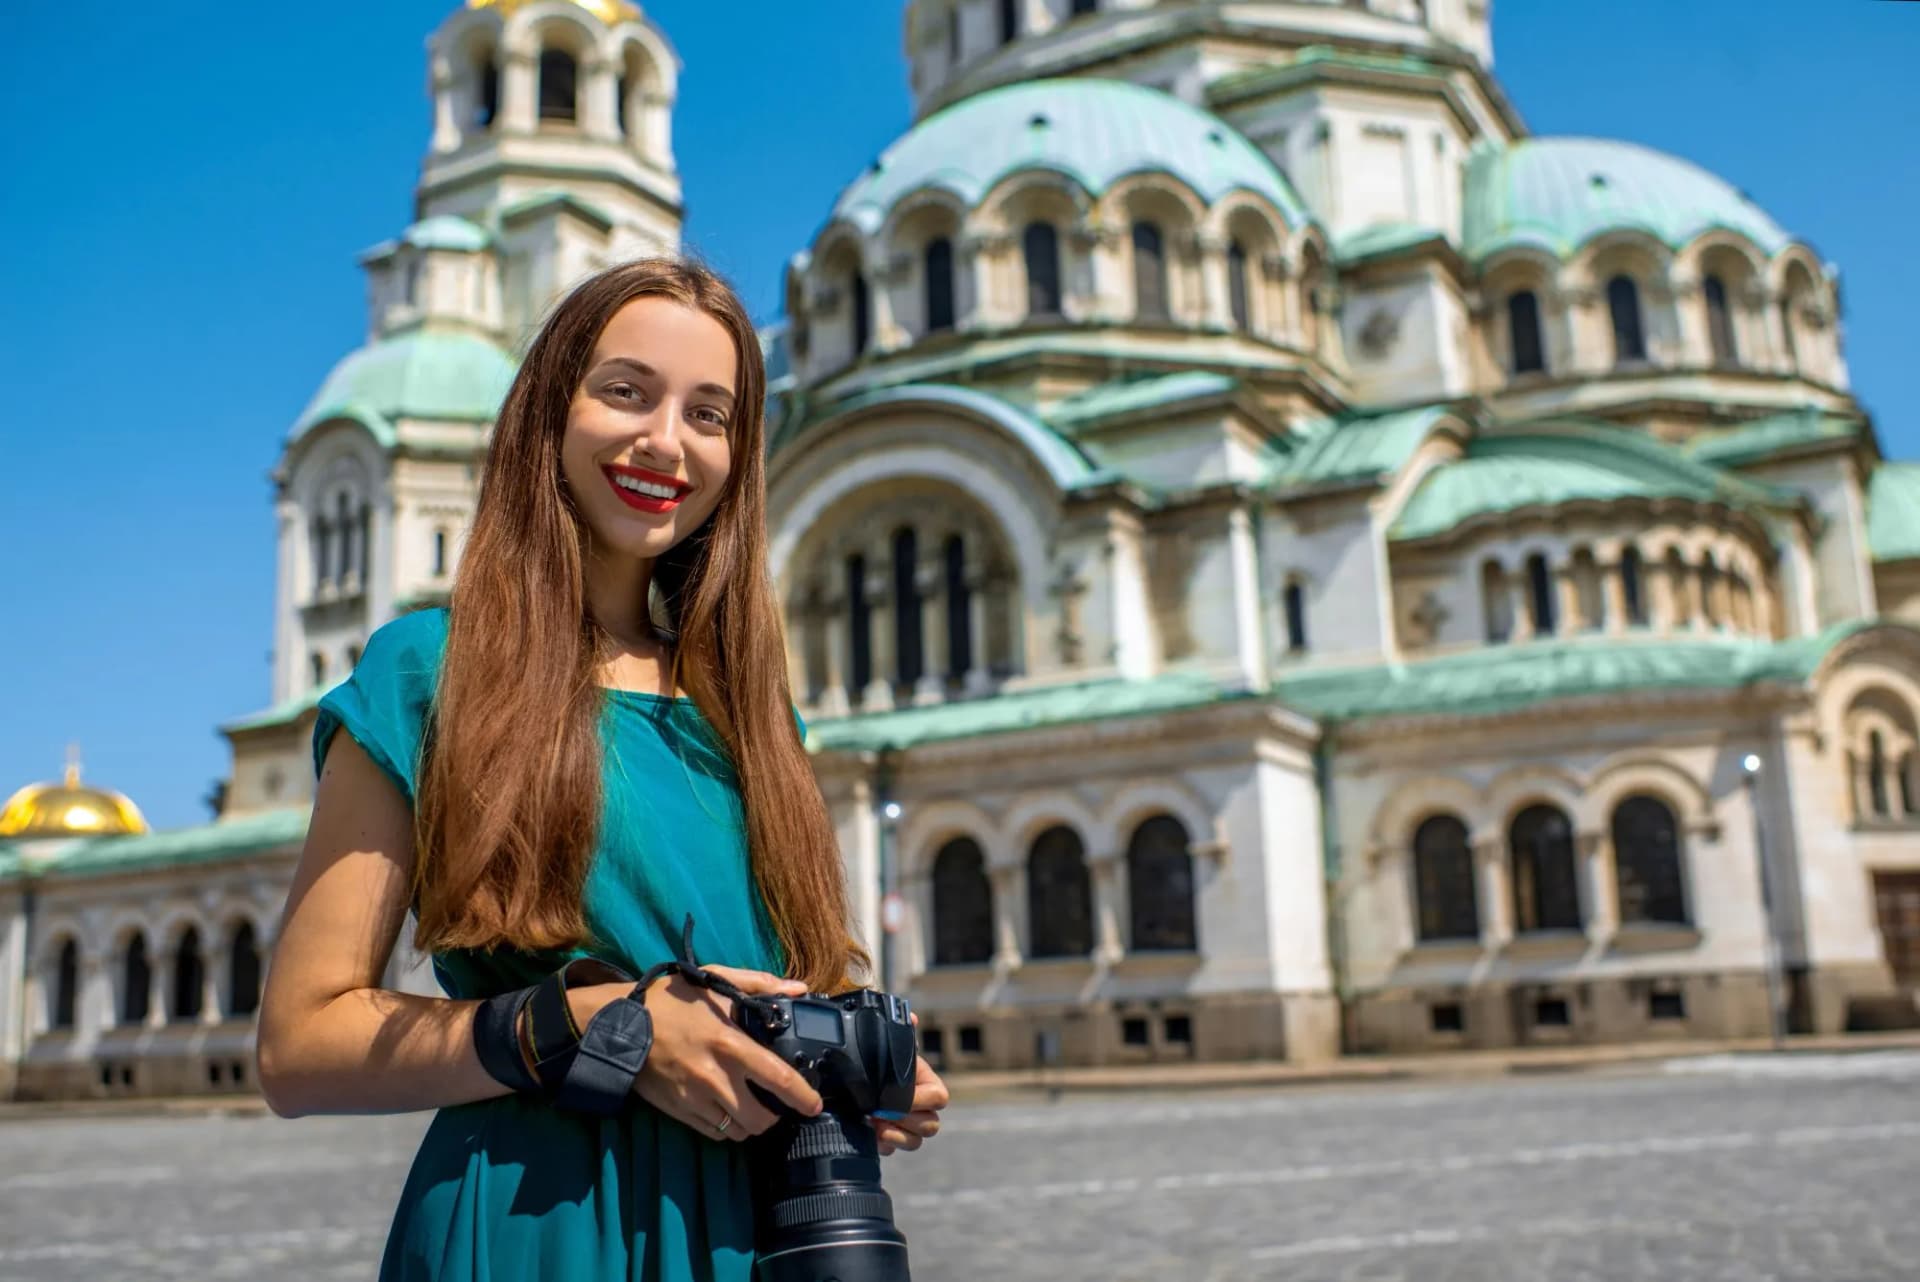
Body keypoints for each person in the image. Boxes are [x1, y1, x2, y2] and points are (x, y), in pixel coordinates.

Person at [257, 258, 950, 1281]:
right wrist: (592, 1025)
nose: (665, 440)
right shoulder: (429, 671)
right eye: (626, 391)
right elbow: (299, 1046)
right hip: (542, 1224)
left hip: (762, 1230)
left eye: (709, 415)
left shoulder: (752, 713)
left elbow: (783, 971)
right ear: (549, 410)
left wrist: (848, 1063)